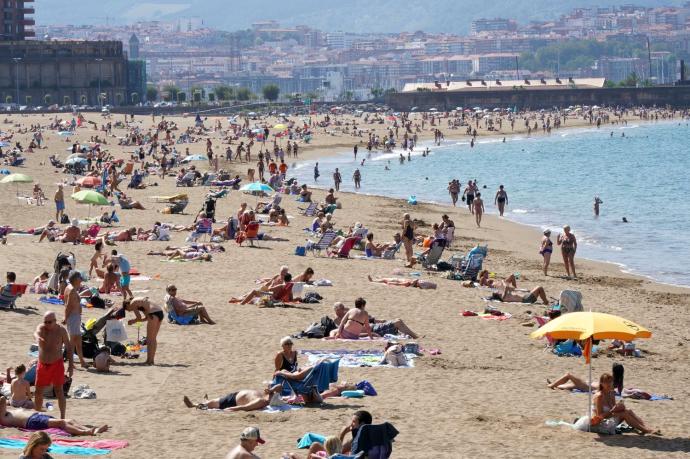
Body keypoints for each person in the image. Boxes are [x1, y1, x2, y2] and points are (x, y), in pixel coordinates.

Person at [33, 311, 74, 419]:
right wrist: (38, 338)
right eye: (45, 322)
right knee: (38, 391)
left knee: (59, 391)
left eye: (49, 322)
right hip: (42, 364)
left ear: (55, 321)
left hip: (56, 364)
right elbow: (36, 333)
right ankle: (37, 416)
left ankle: (62, 417)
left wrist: (70, 365)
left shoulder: (61, 331)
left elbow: (69, 347)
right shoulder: (42, 328)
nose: (47, 324)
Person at [0, 396, 108, 436]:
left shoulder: (6, 412)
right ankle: (86, 432)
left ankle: (92, 430)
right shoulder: (3, 417)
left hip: (37, 417)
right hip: (31, 421)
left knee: (70, 419)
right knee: (61, 423)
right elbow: (2, 399)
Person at [592, 372, 659, 435]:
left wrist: (620, 407)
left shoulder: (611, 393)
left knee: (628, 410)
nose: (609, 384)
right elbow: (599, 416)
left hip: (609, 418)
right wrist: (613, 410)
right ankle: (645, 430)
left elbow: (614, 409)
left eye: (610, 382)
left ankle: (646, 427)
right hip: (599, 423)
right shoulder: (599, 396)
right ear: (601, 383)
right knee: (624, 414)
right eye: (606, 382)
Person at [332, 301, 419, 339]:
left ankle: (415, 335)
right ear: (336, 310)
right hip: (374, 329)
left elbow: (366, 318)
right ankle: (416, 337)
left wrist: (378, 321)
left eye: (343, 307)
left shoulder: (348, 313)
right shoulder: (337, 321)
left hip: (373, 326)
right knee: (398, 322)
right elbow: (354, 333)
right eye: (341, 308)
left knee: (397, 322)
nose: (344, 309)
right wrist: (370, 334)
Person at [121, 297, 164, 365]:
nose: (129, 311)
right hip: (160, 312)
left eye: (127, 309)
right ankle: (151, 360)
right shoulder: (141, 302)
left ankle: (149, 361)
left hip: (154, 313)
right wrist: (134, 321)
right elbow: (146, 318)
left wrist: (132, 321)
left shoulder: (133, 303)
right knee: (153, 339)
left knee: (149, 339)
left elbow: (139, 317)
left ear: (127, 305)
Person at [184, 385, 283, 412]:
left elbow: (244, 408)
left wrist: (230, 409)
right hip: (236, 395)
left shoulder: (261, 401)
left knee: (211, 405)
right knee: (214, 402)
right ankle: (206, 401)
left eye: (272, 394)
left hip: (233, 401)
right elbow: (279, 387)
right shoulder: (268, 396)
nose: (272, 392)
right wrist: (271, 390)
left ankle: (193, 405)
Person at [548, 363, 625, 395]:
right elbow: (619, 392)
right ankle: (555, 384)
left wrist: (596, 391)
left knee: (569, 375)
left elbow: (603, 390)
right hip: (588, 385)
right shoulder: (619, 381)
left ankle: (552, 385)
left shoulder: (611, 380)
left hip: (587, 386)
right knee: (571, 385)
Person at [63, 271, 87, 368]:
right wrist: (65, 318)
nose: (81, 279)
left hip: (74, 317)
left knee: (78, 340)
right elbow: (68, 306)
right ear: (76, 279)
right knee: (73, 341)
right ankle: (71, 363)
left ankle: (81, 361)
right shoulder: (72, 290)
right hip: (73, 317)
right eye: (80, 278)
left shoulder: (69, 287)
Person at [367, 275, 436, 289]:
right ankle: (375, 279)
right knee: (384, 279)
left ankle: (372, 280)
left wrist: (391, 283)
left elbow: (399, 284)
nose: (417, 279)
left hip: (395, 280)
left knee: (384, 280)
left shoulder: (408, 283)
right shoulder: (410, 282)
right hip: (396, 279)